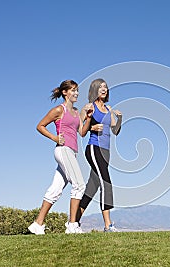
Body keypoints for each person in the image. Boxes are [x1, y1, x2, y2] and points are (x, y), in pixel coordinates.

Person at [28, 80, 90, 235]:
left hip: (72, 152)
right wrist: (54, 138)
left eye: (77, 91)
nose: (76, 93)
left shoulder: (76, 112)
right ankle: (72, 224)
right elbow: (40, 126)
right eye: (73, 90)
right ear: (65, 92)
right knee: (79, 185)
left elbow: (81, 133)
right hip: (63, 150)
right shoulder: (58, 110)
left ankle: (37, 223)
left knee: (55, 190)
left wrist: (88, 118)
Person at [76, 78, 122, 232]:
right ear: (94, 89)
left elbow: (115, 131)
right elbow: (81, 131)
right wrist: (91, 126)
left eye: (106, 87)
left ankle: (73, 222)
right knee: (106, 183)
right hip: (94, 149)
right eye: (100, 87)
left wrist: (120, 118)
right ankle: (108, 225)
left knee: (91, 188)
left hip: (106, 152)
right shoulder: (89, 107)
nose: (104, 89)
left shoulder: (109, 109)